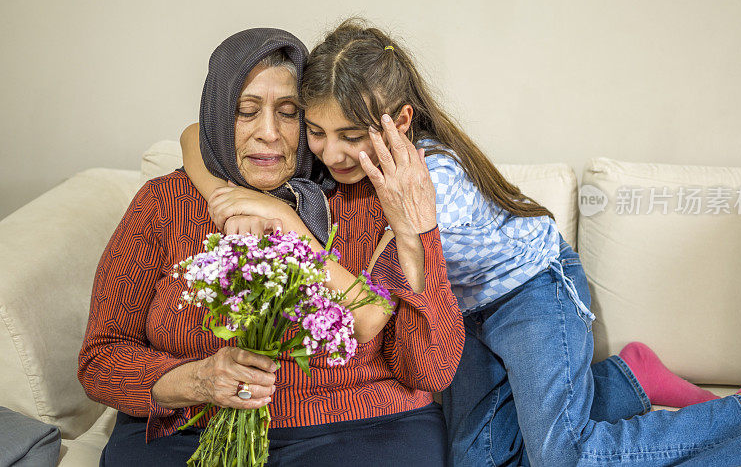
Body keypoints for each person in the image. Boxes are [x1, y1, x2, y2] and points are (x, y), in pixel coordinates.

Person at [186, 19, 741, 466]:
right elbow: (193, 134)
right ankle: (627, 381)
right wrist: (232, 195)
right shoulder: (332, 164)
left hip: (530, 293)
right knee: (475, 460)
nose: (329, 153)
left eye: (350, 135)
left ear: (400, 121)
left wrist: (297, 223)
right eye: (316, 133)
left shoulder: (435, 194)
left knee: (565, 458)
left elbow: (383, 305)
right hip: (467, 318)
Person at [78, 28, 464, 467]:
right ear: (218, 116)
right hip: (191, 428)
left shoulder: (363, 192)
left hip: (364, 427)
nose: (269, 133)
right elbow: (101, 357)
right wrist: (198, 380)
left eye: (289, 113)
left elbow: (430, 369)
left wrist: (417, 232)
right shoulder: (165, 203)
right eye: (246, 112)